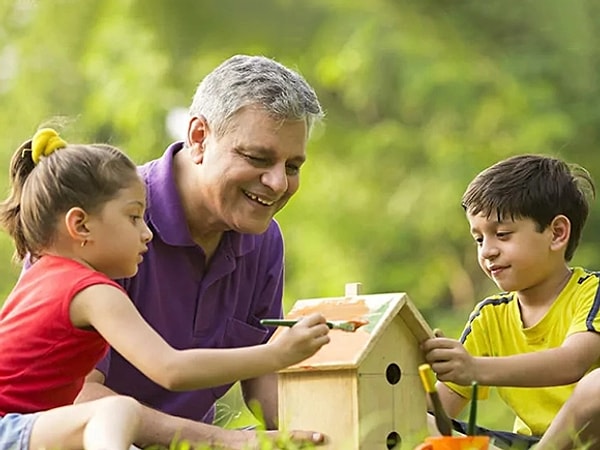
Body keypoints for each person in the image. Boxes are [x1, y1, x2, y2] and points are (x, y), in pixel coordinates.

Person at [0, 128, 330, 450]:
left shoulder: (45, 276)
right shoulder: (92, 291)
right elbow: (171, 369)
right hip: (10, 427)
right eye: (133, 217)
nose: (147, 233)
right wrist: (276, 354)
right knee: (118, 411)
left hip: (29, 427)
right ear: (81, 225)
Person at [75, 54, 328, 449]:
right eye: (258, 158)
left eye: (293, 166)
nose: (278, 183)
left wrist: (328, 432)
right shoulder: (103, 224)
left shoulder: (263, 240)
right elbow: (75, 397)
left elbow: (263, 378)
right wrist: (222, 442)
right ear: (198, 138)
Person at [421, 154, 600, 450]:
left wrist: (474, 368)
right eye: (479, 239)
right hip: (523, 443)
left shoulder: (592, 293)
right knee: (415, 418)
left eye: (502, 235)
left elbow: (571, 363)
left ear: (557, 233)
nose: (487, 251)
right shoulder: (490, 316)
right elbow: (439, 408)